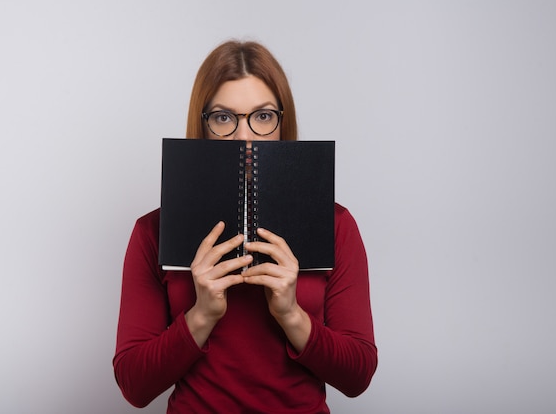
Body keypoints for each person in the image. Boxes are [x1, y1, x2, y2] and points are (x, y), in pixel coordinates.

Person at [113, 40, 377, 413]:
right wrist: (201, 314)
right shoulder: (152, 232)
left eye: (263, 116)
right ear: (202, 125)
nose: (245, 137)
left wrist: (290, 314)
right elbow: (133, 386)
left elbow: (358, 376)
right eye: (223, 118)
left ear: (283, 123)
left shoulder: (337, 225)